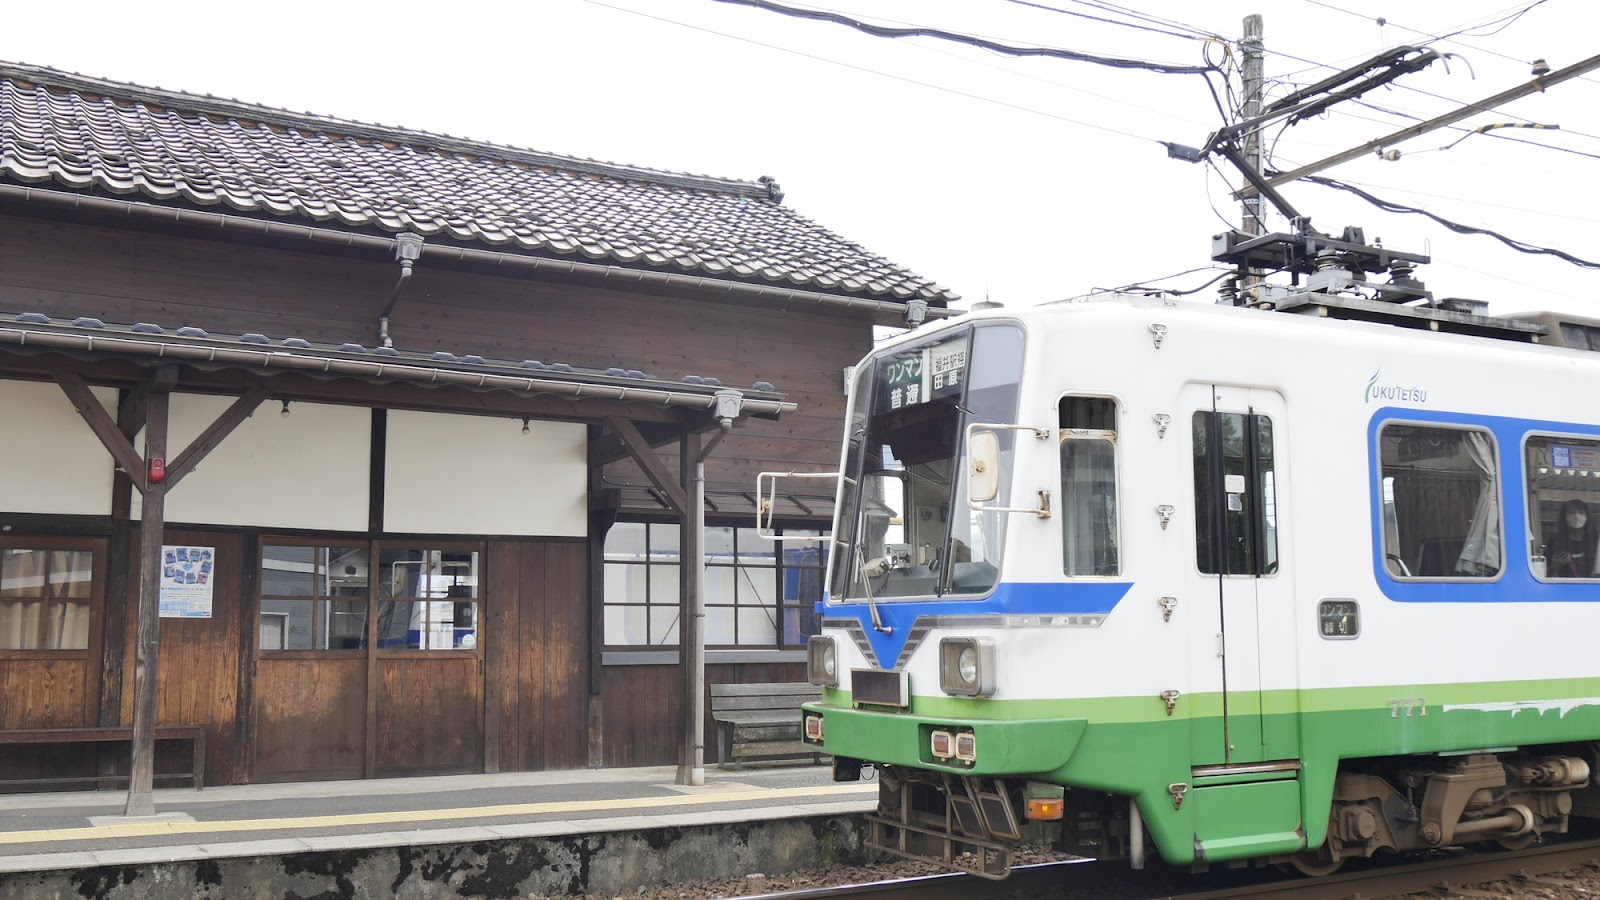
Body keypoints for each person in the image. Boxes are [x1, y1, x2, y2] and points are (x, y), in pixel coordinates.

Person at [1546, 499, 1598, 578]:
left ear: (1588, 516)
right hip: (1565, 587)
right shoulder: (1554, 542)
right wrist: (1554, 566)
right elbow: (1542, 574)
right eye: (1571, 513)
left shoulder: (1596, 541)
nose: (1576, 516)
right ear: (1564, 517)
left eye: (1581, 512)